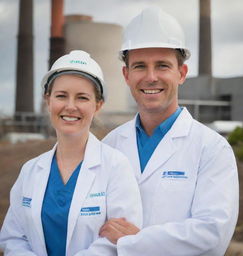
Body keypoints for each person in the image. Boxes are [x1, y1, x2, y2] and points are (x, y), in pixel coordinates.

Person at [100, 7, 239, 256]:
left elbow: (212, 233)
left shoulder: (212, 148)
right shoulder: (110, 144)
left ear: (181, 73)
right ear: (126, 74)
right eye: (140, 66)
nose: (151, 77)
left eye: (162, 66)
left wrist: (135, 241)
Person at [0, 50, 142, 256]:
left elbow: (119, 241)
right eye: (61, 96)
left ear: (98, 105)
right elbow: (13, 237)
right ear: (48, 100)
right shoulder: (30, 170)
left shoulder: (115, 166)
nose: (70, 106)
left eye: (82, 98)